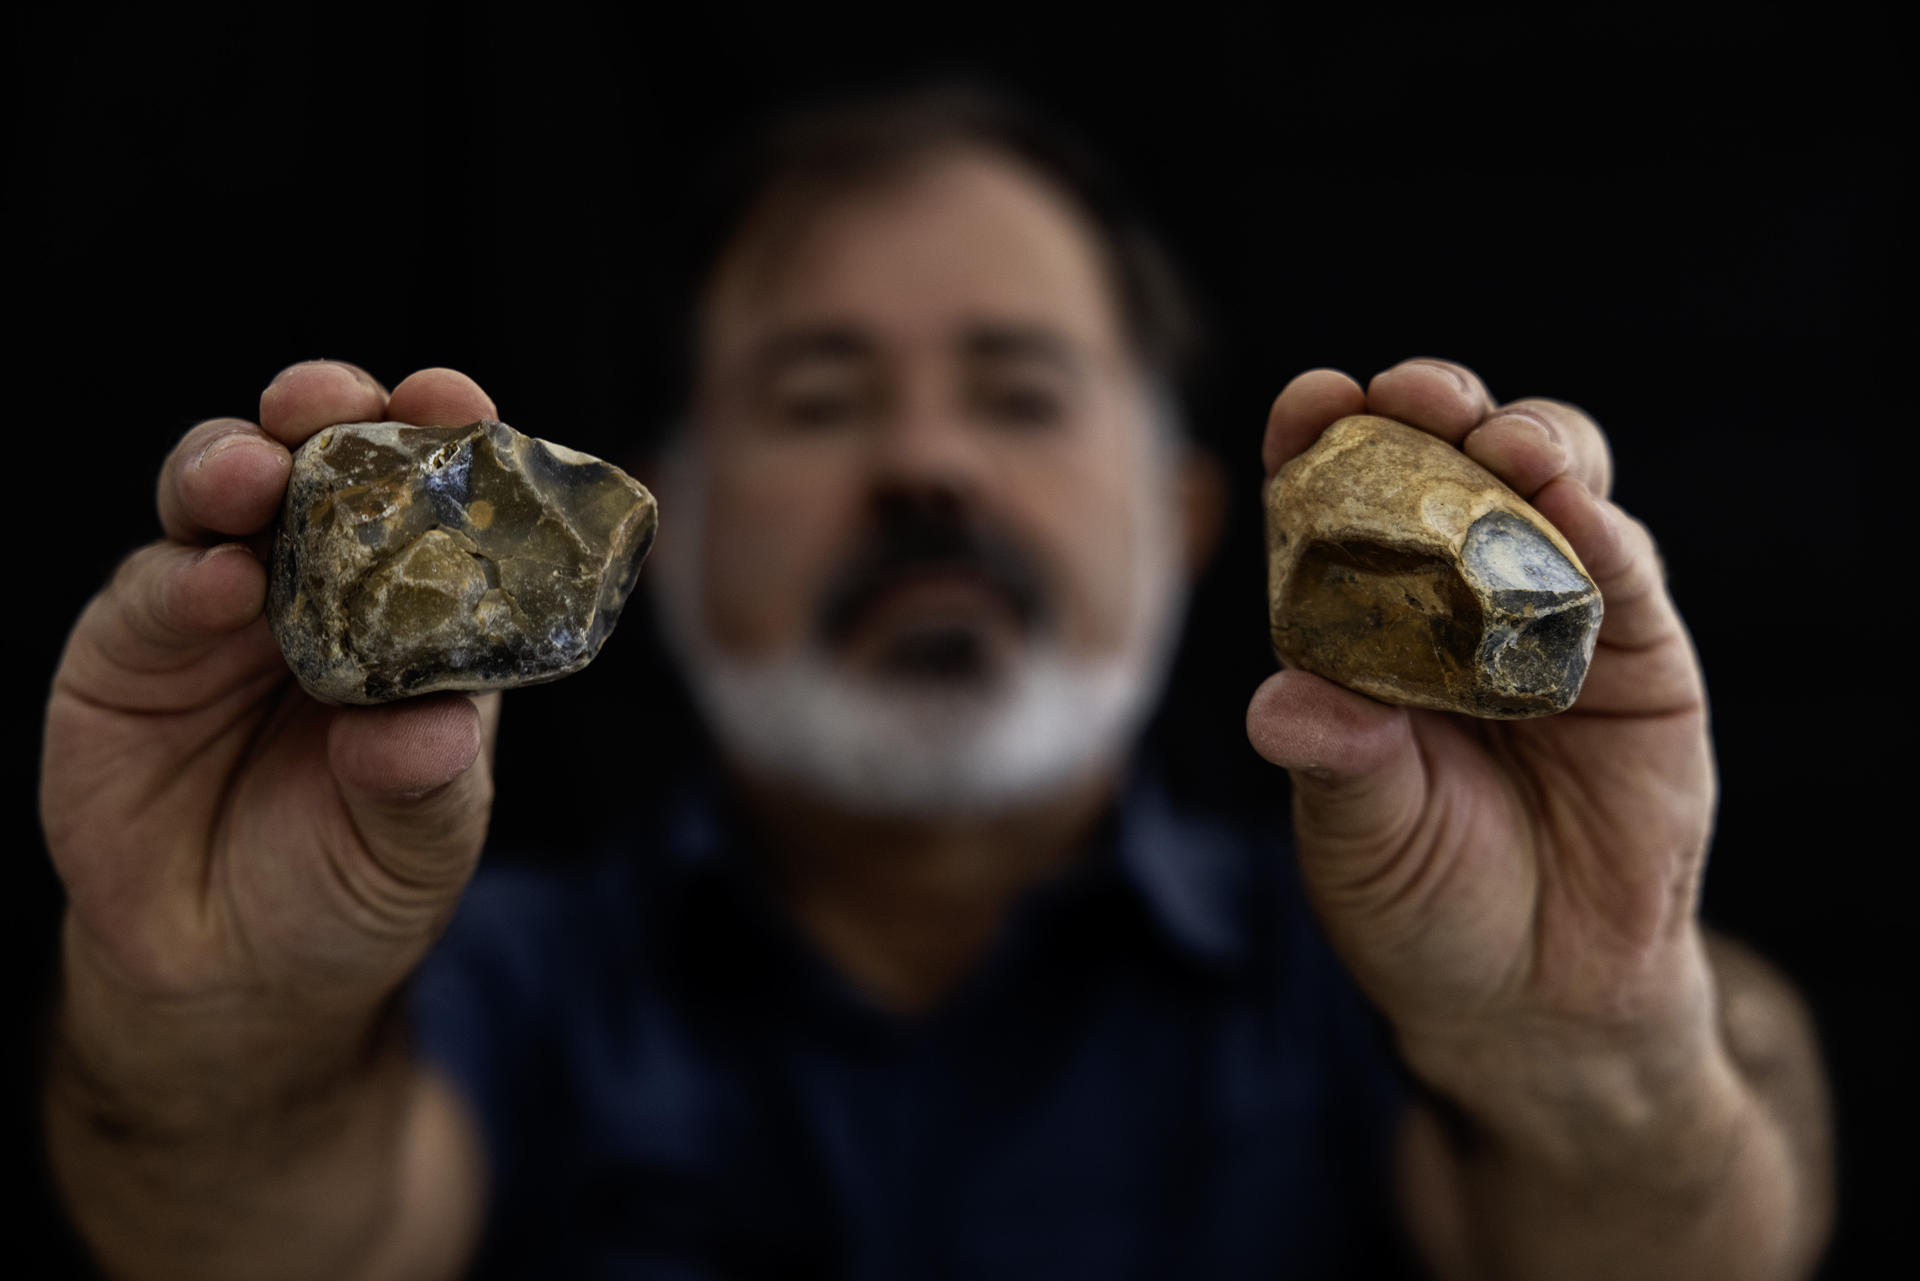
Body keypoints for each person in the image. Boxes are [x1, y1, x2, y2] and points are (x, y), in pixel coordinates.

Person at [38, 78, 1833, 1279]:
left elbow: (1693, 1243)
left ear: (1196, 515)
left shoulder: (1381, 986)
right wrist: (207, 1038)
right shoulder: (472, 984)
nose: (927, 467)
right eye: (818, 396)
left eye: (1021, 389)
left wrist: (1601, 1043)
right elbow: (260, 1240)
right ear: (666, 513)